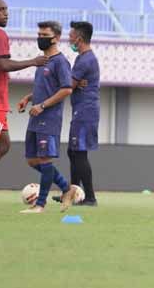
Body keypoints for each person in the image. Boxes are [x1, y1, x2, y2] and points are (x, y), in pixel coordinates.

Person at [0, 0, 48, 215]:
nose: (6, 13)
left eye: (6, 9)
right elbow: (3, 64)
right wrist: (33, 61)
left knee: (3, 145)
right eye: (0, 9)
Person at [17, 21, 76, 213]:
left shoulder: (60, 62)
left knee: (44, 160)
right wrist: (28, 98)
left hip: (48, 118)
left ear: (56, 38)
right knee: (32, 160)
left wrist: (42, 106)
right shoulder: (42, 61)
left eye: (44, 35)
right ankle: (67, 189)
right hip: (35, 116)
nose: (40, 38)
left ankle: (40, 204)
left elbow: (66, 89)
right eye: (39, 35)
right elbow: (46, 88)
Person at [54, 21, 100, 206]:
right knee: (73, 152)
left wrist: (69, 81)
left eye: (71, 37)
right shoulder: (83, 58)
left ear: (79, 39)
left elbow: (68, 85)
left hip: (85, 112)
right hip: (82, 110)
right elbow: (73, 82)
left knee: (79, 153)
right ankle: (72, 194)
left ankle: (89, 197)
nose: (69, 40)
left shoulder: (86, 59)